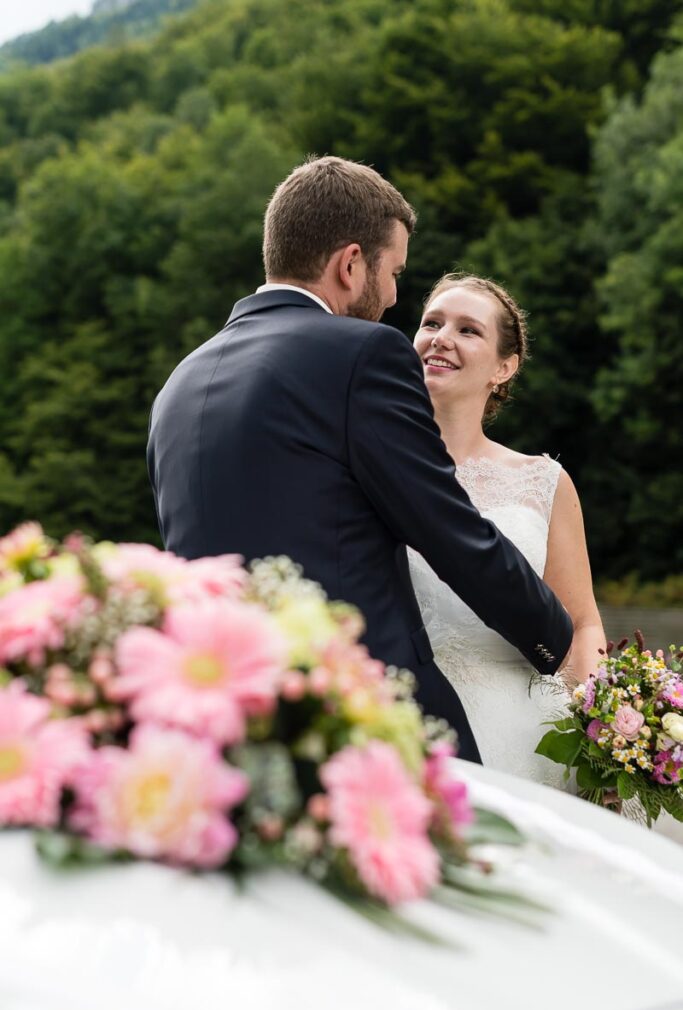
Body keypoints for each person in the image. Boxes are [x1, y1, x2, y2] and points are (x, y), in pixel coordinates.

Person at [147, 156, 573, 763]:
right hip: (363, 723)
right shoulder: (361, 353)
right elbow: (447, 528)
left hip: (226, 730)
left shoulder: (180, 385)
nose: (396, 295)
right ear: (350, 263)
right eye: (394, 271)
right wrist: (558, 641)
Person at [409, 272, 605, 784]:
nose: (441, 337)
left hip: (532, 735)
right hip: (412, 728)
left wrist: (604, 737)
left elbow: (582, 624)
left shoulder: (544, 481)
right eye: (432, 322)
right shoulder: (371, 469)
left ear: (504, 367)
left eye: (468, 330)